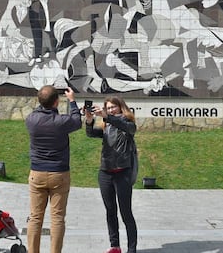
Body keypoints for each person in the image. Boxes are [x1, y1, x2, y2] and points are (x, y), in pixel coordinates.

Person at [25, 85, 82, 253]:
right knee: (57, 218)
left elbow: (40, 108)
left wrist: (45, 99)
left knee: (35, 218)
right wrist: (72, 101)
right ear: (57, 102)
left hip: (37, 173)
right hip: (59, 174)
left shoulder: (31, 120)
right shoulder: (61, 122)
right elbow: (77, 120)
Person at [85, 96, 138, 253]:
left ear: (121, 107)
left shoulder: (128, 123)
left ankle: (131, 249)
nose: (110, 110)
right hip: (105, 173)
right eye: (108, 108)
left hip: (123, 172)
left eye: (113, 107)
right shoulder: (106, 126)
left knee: (126, 212)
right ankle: (115, 245)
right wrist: (89, 120)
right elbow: (90, 134)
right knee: (110, 211)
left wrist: (109, 117)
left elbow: (127, 127)